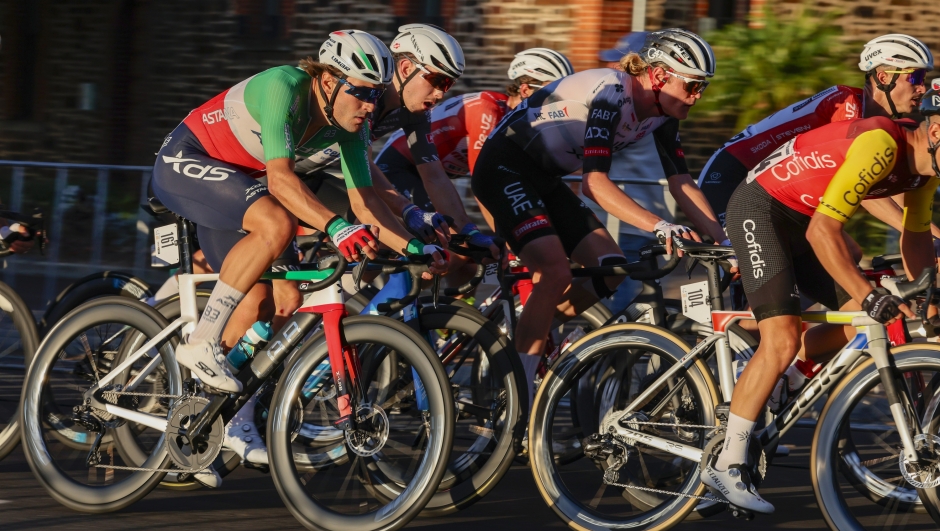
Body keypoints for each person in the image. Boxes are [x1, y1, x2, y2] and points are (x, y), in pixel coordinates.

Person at [150, 30, 446, 485]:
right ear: (329, 82)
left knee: (280, 301)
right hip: (189, 160)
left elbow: (365, 201)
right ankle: (200, 342)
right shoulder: (283, 87)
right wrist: (334, 225)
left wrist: (415, 247)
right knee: (277, 223)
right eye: (361, 93)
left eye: (374, 95)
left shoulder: (351, 125)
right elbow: (283, 181)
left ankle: (212, 415)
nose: (370, 106)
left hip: (242, 186)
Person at [702, 85, 940, 513]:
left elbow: (917, 235)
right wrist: (868, 294)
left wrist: (929, 302)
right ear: (937, 131)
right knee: (783, 338)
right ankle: (727, 463)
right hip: (761, 209)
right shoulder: (881, 144)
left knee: (863, 315)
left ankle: (784, 378)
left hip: (802, 216)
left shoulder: (926, 168)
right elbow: (822, 234)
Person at [471, 29, 727, 408]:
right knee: (555, 270)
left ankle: (526, 329)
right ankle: (519, 395)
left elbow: (682, 183)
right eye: (691, 85)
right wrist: (660, 225)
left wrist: (724, 245)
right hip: (503, 166)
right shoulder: (612, 94)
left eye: (702, 87)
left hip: (544, 178)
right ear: (658, 76)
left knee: (610, 268)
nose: (697, 96)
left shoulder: (662, 112)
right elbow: (594, 184)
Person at [294, 25, 501, 259]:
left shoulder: (416, 113)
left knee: (384, 238)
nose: (441, 93)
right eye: (437, 80)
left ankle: (356, 294)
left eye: (448, 84)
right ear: (405, 68)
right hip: (278, 176)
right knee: (379, 233)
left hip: (310, 177)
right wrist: (408, 209)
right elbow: (363, 164)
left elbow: (433, 175)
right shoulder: (366, 96)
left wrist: (467, 230)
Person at [698, 34, 934, 229]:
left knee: (845, 255)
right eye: (915, 77)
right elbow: (868, 191)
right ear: (883, 78)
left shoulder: (882, 125)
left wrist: (927, 230)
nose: (922, 88)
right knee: (735, 262)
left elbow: (892, 183)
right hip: (732, 171)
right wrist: (917, 234)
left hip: (773, 188)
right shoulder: (846, 104)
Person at [374, 47, 574, 270]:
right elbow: (486, 183)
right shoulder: (487, 110)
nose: (557, 103)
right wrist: (512, 241)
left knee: (469, 259)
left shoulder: (523, 126)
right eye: (552, 95)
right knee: (447, 247)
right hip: (400, 167)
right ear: (526, 90)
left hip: (431, 176)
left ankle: (454, 304)